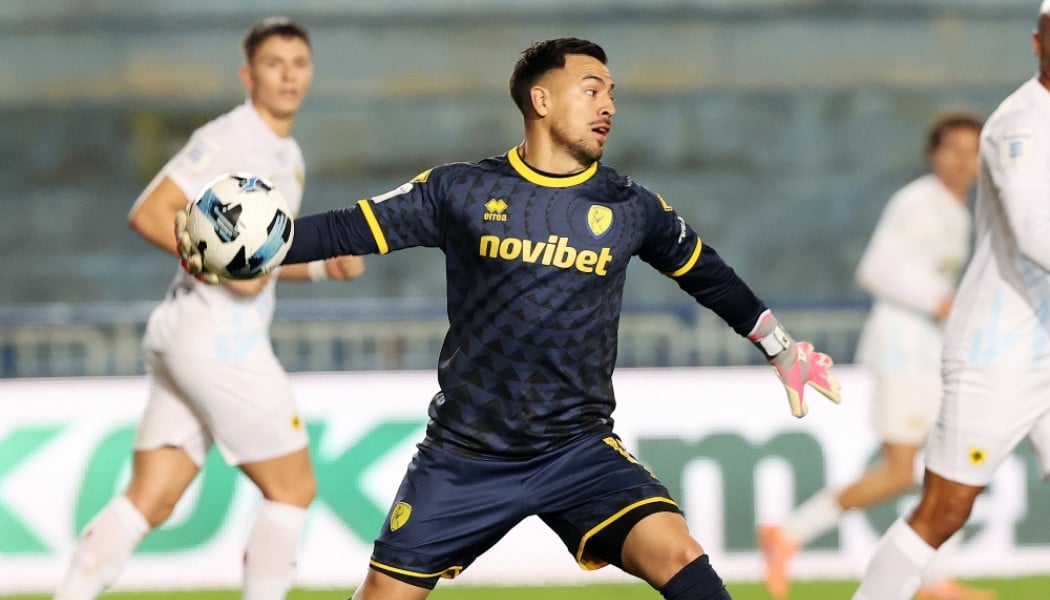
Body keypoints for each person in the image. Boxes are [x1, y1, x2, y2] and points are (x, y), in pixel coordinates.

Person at [180, 37, 842, 600]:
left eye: (612, 94)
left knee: (679, 555)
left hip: (578, 449)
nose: (609, 106)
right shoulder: (461, 191)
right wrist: (253, 247)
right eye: (591, 90)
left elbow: (708, 275)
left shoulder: (631, 206)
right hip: (464, 456)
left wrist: (780, 348)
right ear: (541, 100)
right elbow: (347, 228)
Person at [54, 17, 363, 600]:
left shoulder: (286, 151)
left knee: (152, 498)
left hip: (185, 334)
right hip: (220, 338)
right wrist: (214, 267)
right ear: (248, 76)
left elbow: (254, 260)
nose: (289, 76)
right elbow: (151, 212)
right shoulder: (231, 138)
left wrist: (324, 266)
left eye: (299, 64)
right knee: (292, 489)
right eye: (274, 64)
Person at [851, 4, 1050, 598]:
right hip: (1001, 349)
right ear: (1037, 42)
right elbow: (1033, 230)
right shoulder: (1019, 124)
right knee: (945, 509)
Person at [757, 111, 990, 600]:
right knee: (903, 470)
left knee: (947, 460)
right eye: (954, 149)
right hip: (904, 348)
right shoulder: (919, 202)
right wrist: (941, 302)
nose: (963, 161)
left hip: (926, 350)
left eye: (972, 151)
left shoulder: (954, 210)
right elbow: (876, 269)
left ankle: (934, 578)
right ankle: (789, 534)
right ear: (933, 154)